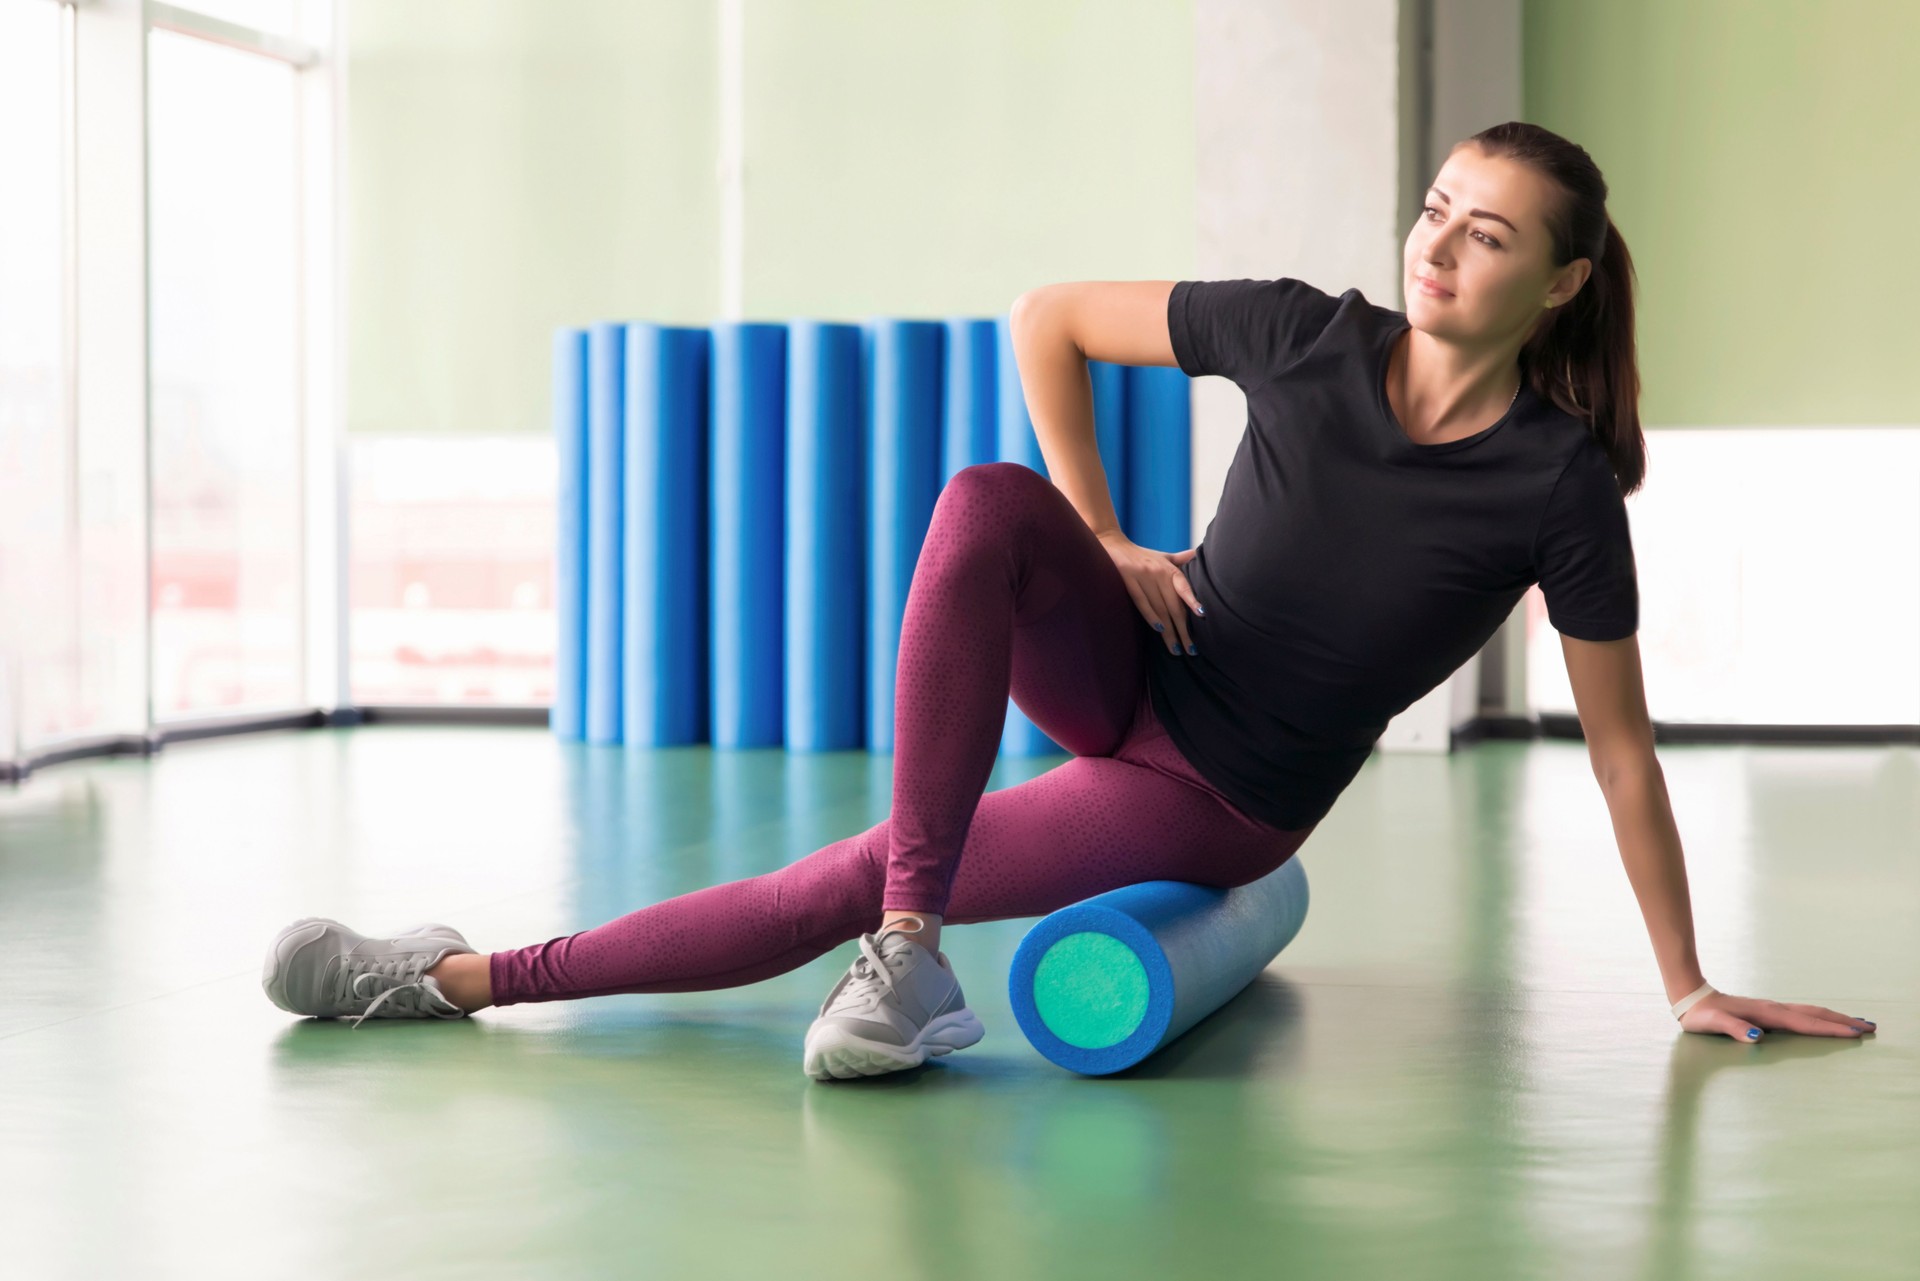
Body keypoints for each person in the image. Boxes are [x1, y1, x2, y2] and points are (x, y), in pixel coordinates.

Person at [261, 121, 1875, 1078]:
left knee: (842, 870)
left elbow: (1618, 751)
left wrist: (1682, 979)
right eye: (1439, 208)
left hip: (1216, 793)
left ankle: (455, 979)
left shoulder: (1555, 488)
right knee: (985, 503)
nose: (1442, 244)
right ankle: (918, 948)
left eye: (1490, 233)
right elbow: (1046, 317)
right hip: (1139, 661)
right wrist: (1102, 538)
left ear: (1563, 282)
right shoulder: (1308, 331)